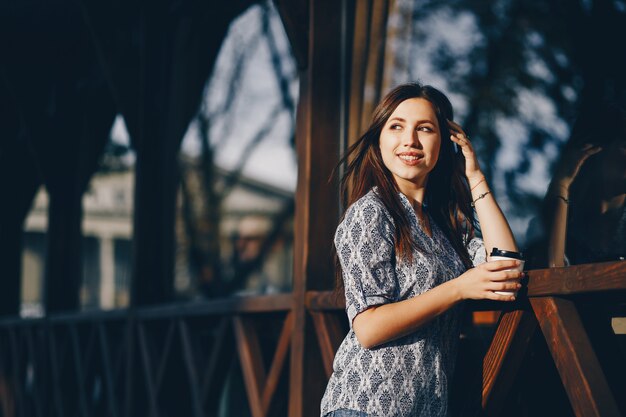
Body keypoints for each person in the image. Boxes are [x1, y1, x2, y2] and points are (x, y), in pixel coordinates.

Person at [320, 83, 522, 417]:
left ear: (444, 143)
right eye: (396, 126)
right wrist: (458, 288)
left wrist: (474, 176)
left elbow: (507, 266)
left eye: (425, 129)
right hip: (365, 406)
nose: (410, 141)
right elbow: (369, 328)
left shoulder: (445, 226)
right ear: (380, 139)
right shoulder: (371, 212)